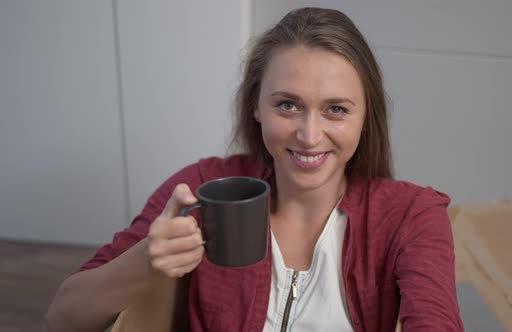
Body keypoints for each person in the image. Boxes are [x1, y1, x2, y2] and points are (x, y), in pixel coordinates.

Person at [47, 7, 463, 332]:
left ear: (365, 118)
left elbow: (435, 319)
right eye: (287, 104)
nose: (309, 135)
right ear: (256, 105)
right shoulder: (201, 188)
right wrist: (146, 263)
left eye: (335, 109)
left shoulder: (413, 214)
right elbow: (64, 319)